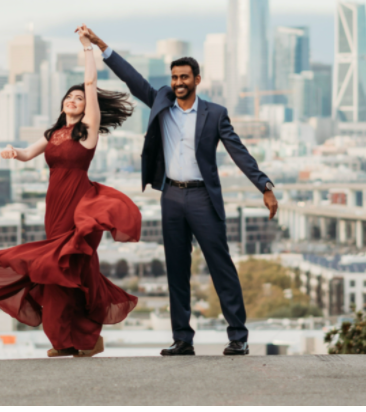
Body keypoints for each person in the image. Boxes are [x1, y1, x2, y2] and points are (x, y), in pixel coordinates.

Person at [80, 25, 278, 357]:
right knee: (176, 270)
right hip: (171, 196)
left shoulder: (215, 114)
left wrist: (265, 186)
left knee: (220, 266)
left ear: (197, 80)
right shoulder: (161, 101)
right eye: (174, 77)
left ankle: (238, 336)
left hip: (203, 198)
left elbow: (238, 151)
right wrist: (103, 46)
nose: (178, 82)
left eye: (185, 77)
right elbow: (133, 79)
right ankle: (182, 338)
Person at [0, 26, 140, 358]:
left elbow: (90, 84)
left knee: (75, 268)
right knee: (56, 273)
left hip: (81, 208)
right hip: (55, 207)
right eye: (70, 96)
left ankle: (88, 336)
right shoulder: (53, 133)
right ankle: (64, 341)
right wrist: (11, 152)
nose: (73, 100)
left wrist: (87, 48)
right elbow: (26, 153)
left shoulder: (87, 131)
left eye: (78, 98)